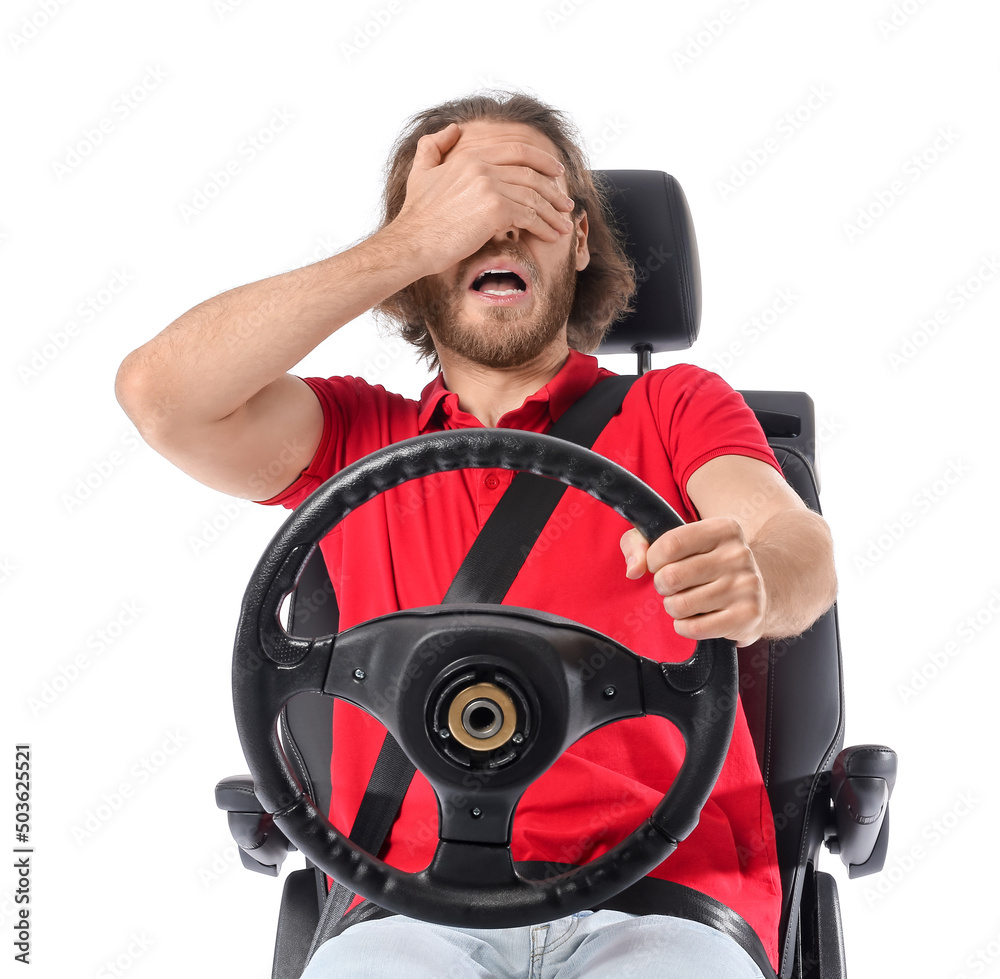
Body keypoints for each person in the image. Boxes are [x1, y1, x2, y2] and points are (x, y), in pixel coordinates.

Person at [116, 91, 836, 978]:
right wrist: (406, 244)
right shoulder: (356, 440)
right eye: (466, 210)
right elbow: (161, 395)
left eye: (530, 205)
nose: (498, 233)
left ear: (578, 242)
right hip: (408, 907)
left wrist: (758, 577)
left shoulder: (674, 405)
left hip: (665, 896)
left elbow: (796, 543)